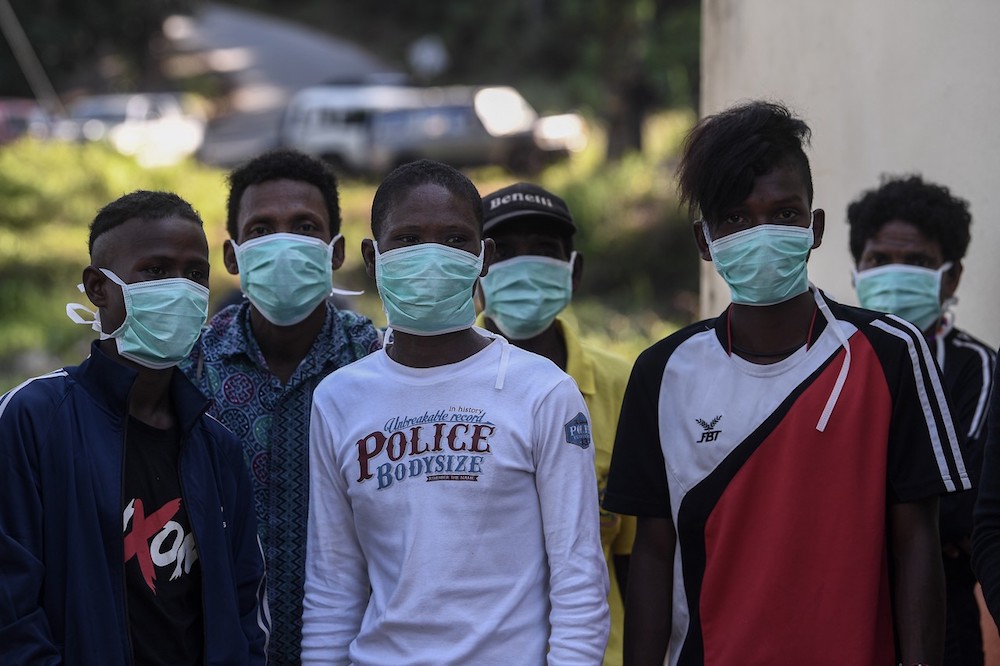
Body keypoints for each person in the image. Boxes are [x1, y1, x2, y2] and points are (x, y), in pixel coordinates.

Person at [603, 101, 969, 665]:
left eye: (784, 213)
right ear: (705, 242)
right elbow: (652, 554)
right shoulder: (662, 372)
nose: (762, 233)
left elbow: (917, 540)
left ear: (815, 228)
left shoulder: (892, 353)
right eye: (736, 219)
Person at [301, 159, 610, 664]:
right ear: (372, 256)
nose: (431, 256)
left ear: (483, 256)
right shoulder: (338, 398)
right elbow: (334, 584)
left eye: (453, 239)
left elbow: (578, 580)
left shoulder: (543, 391)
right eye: (406, 239)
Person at [0, 191, 268, 665]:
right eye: (156, 270)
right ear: (97, 288)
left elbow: (245, 603)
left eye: (195, 274)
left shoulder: (217, 446)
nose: (181, 288)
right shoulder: (33, 419)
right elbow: (10, 603)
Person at [180, 148, 381, 664]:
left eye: (305, 226)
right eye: (262, 230)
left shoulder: (381, 362)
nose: (284, 244)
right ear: (233, 256)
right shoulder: (189, 372)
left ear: (335, 252)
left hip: (359, 647)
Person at [477, 182, 634, 666]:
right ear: (476, 270)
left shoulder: (622, 385)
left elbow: (635, 553)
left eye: (543, 251)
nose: (523, 267)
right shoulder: (440, 386)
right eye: (503, 253)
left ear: (574, 271)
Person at [848, 174, 995, 666]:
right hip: (842, 612)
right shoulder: (824, 361)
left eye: (917, 263)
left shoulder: (977, 367)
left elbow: (966, 505)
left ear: (950, 278)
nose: (895, 275)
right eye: (879, 261)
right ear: (857, 269)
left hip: (943, 618)